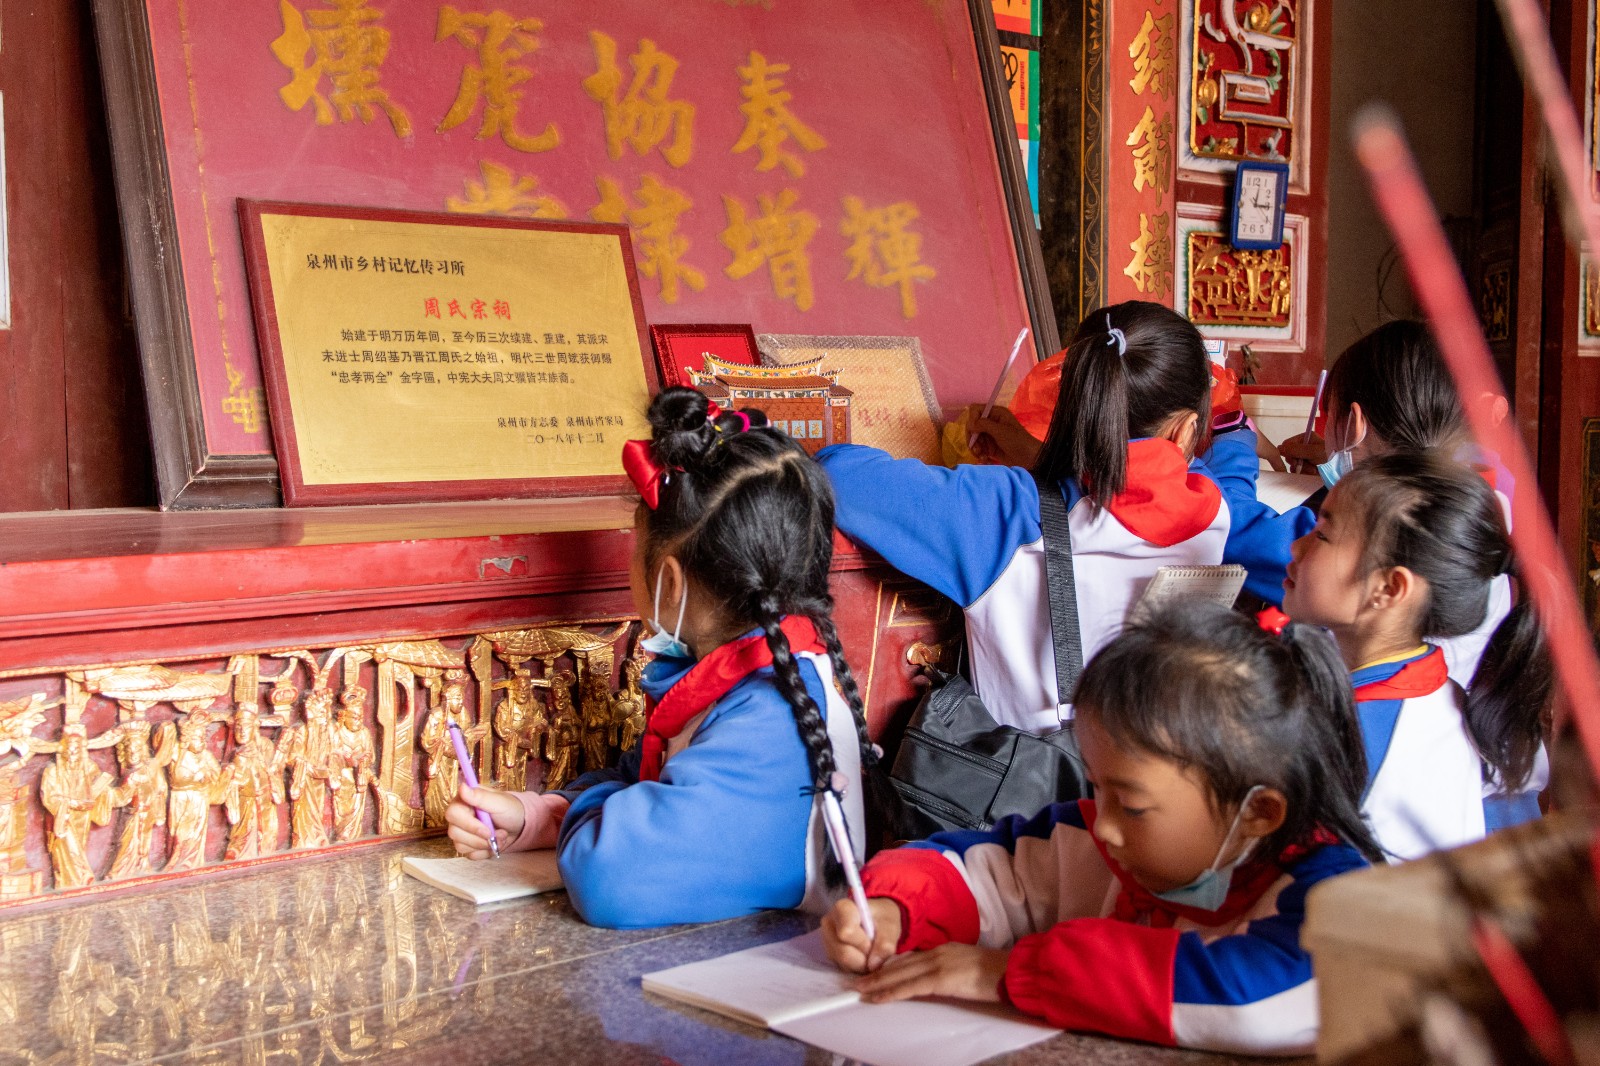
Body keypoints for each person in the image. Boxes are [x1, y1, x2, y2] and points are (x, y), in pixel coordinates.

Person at [819, 601, 1382, 1056]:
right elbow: (983, 870)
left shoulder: (1332, 902)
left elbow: (1256, 1002)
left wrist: (1012, 973)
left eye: (1131, 805)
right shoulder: (1092, 839)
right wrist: (896, 911)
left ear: (1257, 813)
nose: (1103, 825)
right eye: (1095, 786)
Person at [444, 387, 879, 928]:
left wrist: (590, 819)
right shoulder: (744, 677)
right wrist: (537, 817)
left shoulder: (769, 721)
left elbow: (611, 875)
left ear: (669, 583)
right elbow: (641, 779)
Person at [817, 300, 1289, 732]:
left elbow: (839, 476)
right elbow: (1211, 481)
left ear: (1072, 400)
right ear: (1187, 431)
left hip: (1022, 784)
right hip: (1158, 779)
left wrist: (1043, 466)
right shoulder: (1222, 515)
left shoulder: (1004, 510)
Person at [1209, 321, 1514, 685]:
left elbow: (1226, 524)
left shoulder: (1372, 527)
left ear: (1353, 423)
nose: (1304, 544)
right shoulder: (1475, 504)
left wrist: (1231, 434)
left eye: (1329, 419)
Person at [1281, 452, 1550, 860]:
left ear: (1389, 589)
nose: (1296, 546)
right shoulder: (1439, 691)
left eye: (1322, 535)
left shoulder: (1355, 738)